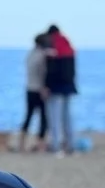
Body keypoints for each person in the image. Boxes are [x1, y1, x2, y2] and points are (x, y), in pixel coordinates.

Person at [43, 24, 78, 155]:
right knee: (68, 117)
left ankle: (56, 145)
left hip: (56, 87)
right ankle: (71, 144)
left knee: (55, 118)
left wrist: (47, 85)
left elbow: (51, 70)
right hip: (69, 86)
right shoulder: (68, 45)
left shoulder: (53, 46)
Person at [21, 34, 49, 151]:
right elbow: (42, 73)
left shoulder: (30, 54)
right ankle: (40, 144)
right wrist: (45, 87)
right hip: (39, 89)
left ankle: (21, 143)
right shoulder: (41, 56)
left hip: (29, 88)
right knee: (43, 117)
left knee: (28, 115)